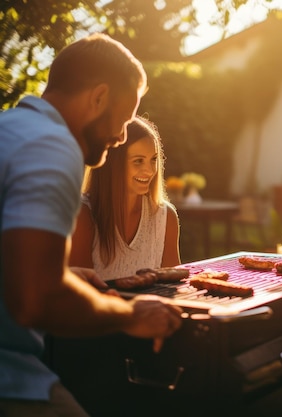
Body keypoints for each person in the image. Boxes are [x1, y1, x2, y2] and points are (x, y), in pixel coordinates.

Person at [0, 33, 182, 417]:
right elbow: (36, 298)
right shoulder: (53, 147)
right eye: (124, 118)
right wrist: (132, 316)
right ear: (99, 98)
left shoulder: (12, 130)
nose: (120, 136)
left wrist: (64, 275)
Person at [69, 115, 181, 280]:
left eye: (153, 160)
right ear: (112, 165)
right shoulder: (83, 216)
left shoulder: (165, 217)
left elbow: (174, 287)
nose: (150, 171)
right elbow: (80, 293)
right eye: (138, 161)